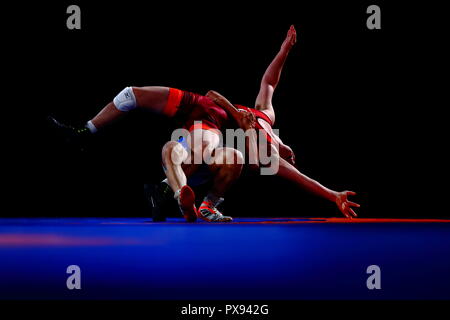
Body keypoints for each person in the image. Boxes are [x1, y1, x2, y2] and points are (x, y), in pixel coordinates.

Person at [205, 25, 360, 218]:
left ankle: (204, 201)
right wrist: (284, 50)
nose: (293, 160)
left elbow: (302, 179)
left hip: (212, 139)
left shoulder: (271, 155)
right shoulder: (266, 116)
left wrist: (334, 195)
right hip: (211, 112)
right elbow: (269, 83)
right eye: (293, 160)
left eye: (291, 162)